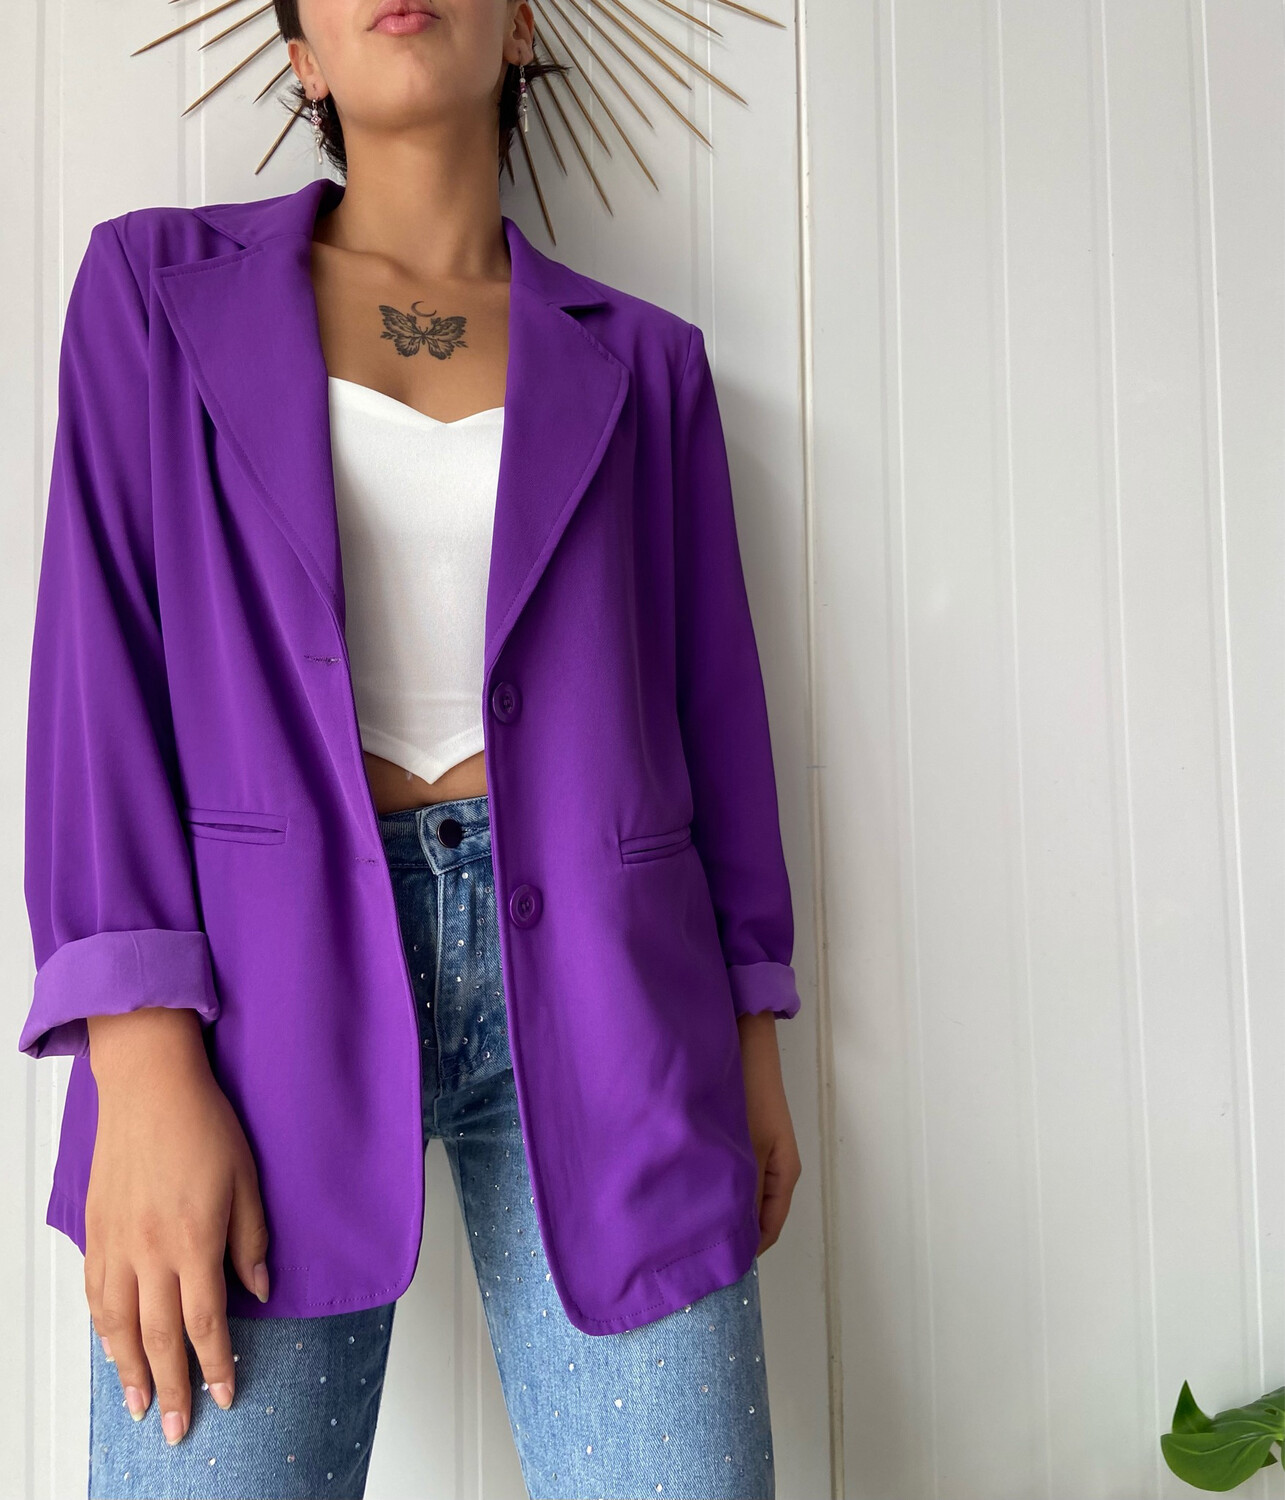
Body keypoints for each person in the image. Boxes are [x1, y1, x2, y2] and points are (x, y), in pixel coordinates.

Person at [21, 1, 803, 1495]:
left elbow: (714, 715)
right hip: (251, 1002)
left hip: (618, 997)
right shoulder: (153, 294)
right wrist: (140, 1051)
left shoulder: (647, 367)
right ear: (301, 57)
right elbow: (94, 678)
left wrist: (748, 1034)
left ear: (520, 30)